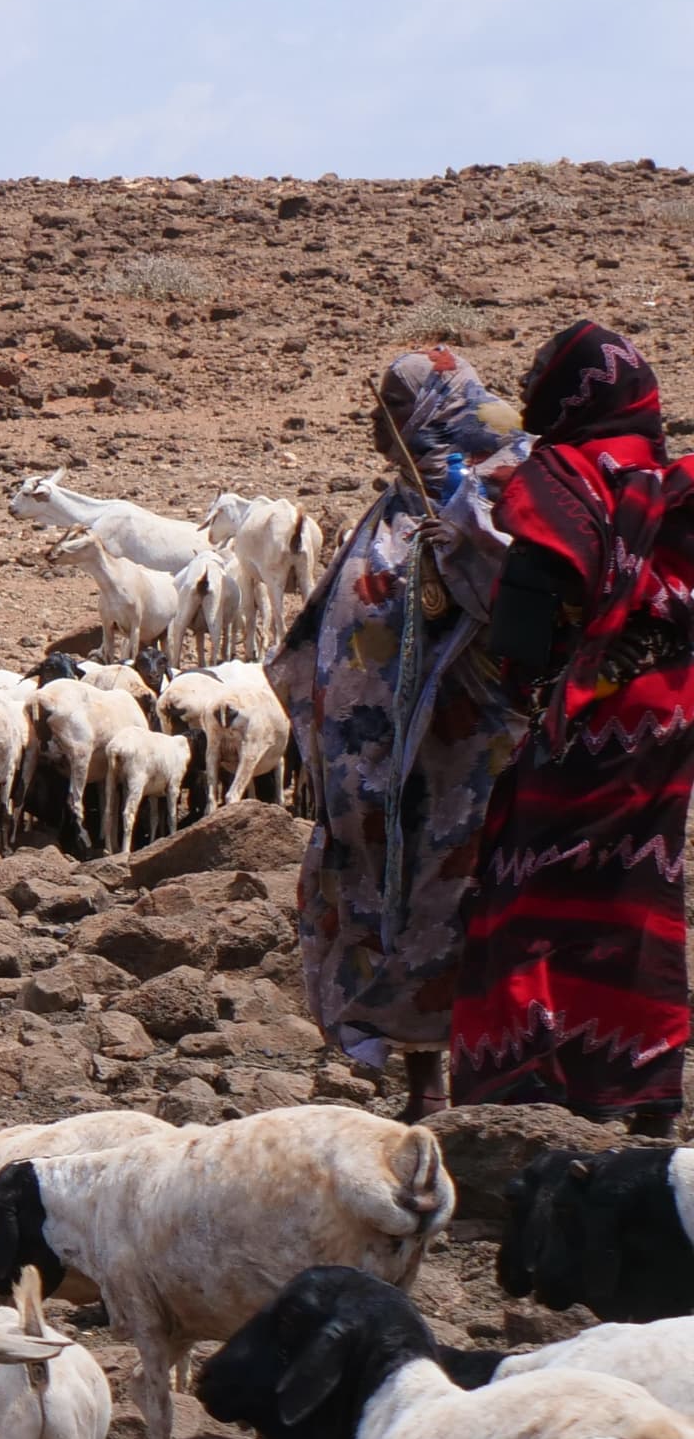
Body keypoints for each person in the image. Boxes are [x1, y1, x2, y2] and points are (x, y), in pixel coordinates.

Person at [273, 347, 531, 1118]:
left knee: (461, 900)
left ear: (431, 409)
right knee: (400, 899)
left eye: (391, 405)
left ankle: (489, 1079)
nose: (375, 423)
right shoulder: (398, 504)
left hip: (471, 757)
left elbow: (502, 600)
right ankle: (428, 1080)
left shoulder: (492, 496)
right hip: (390, 768)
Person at [456, 321, 694, 1133]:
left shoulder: (558, 478)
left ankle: (526, 1083)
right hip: (671, 713)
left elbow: (523, 627)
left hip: (592, 718)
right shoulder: (668, 483)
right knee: (639, 890)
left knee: (527, 890)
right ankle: (643, 1083)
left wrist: (528, 681)